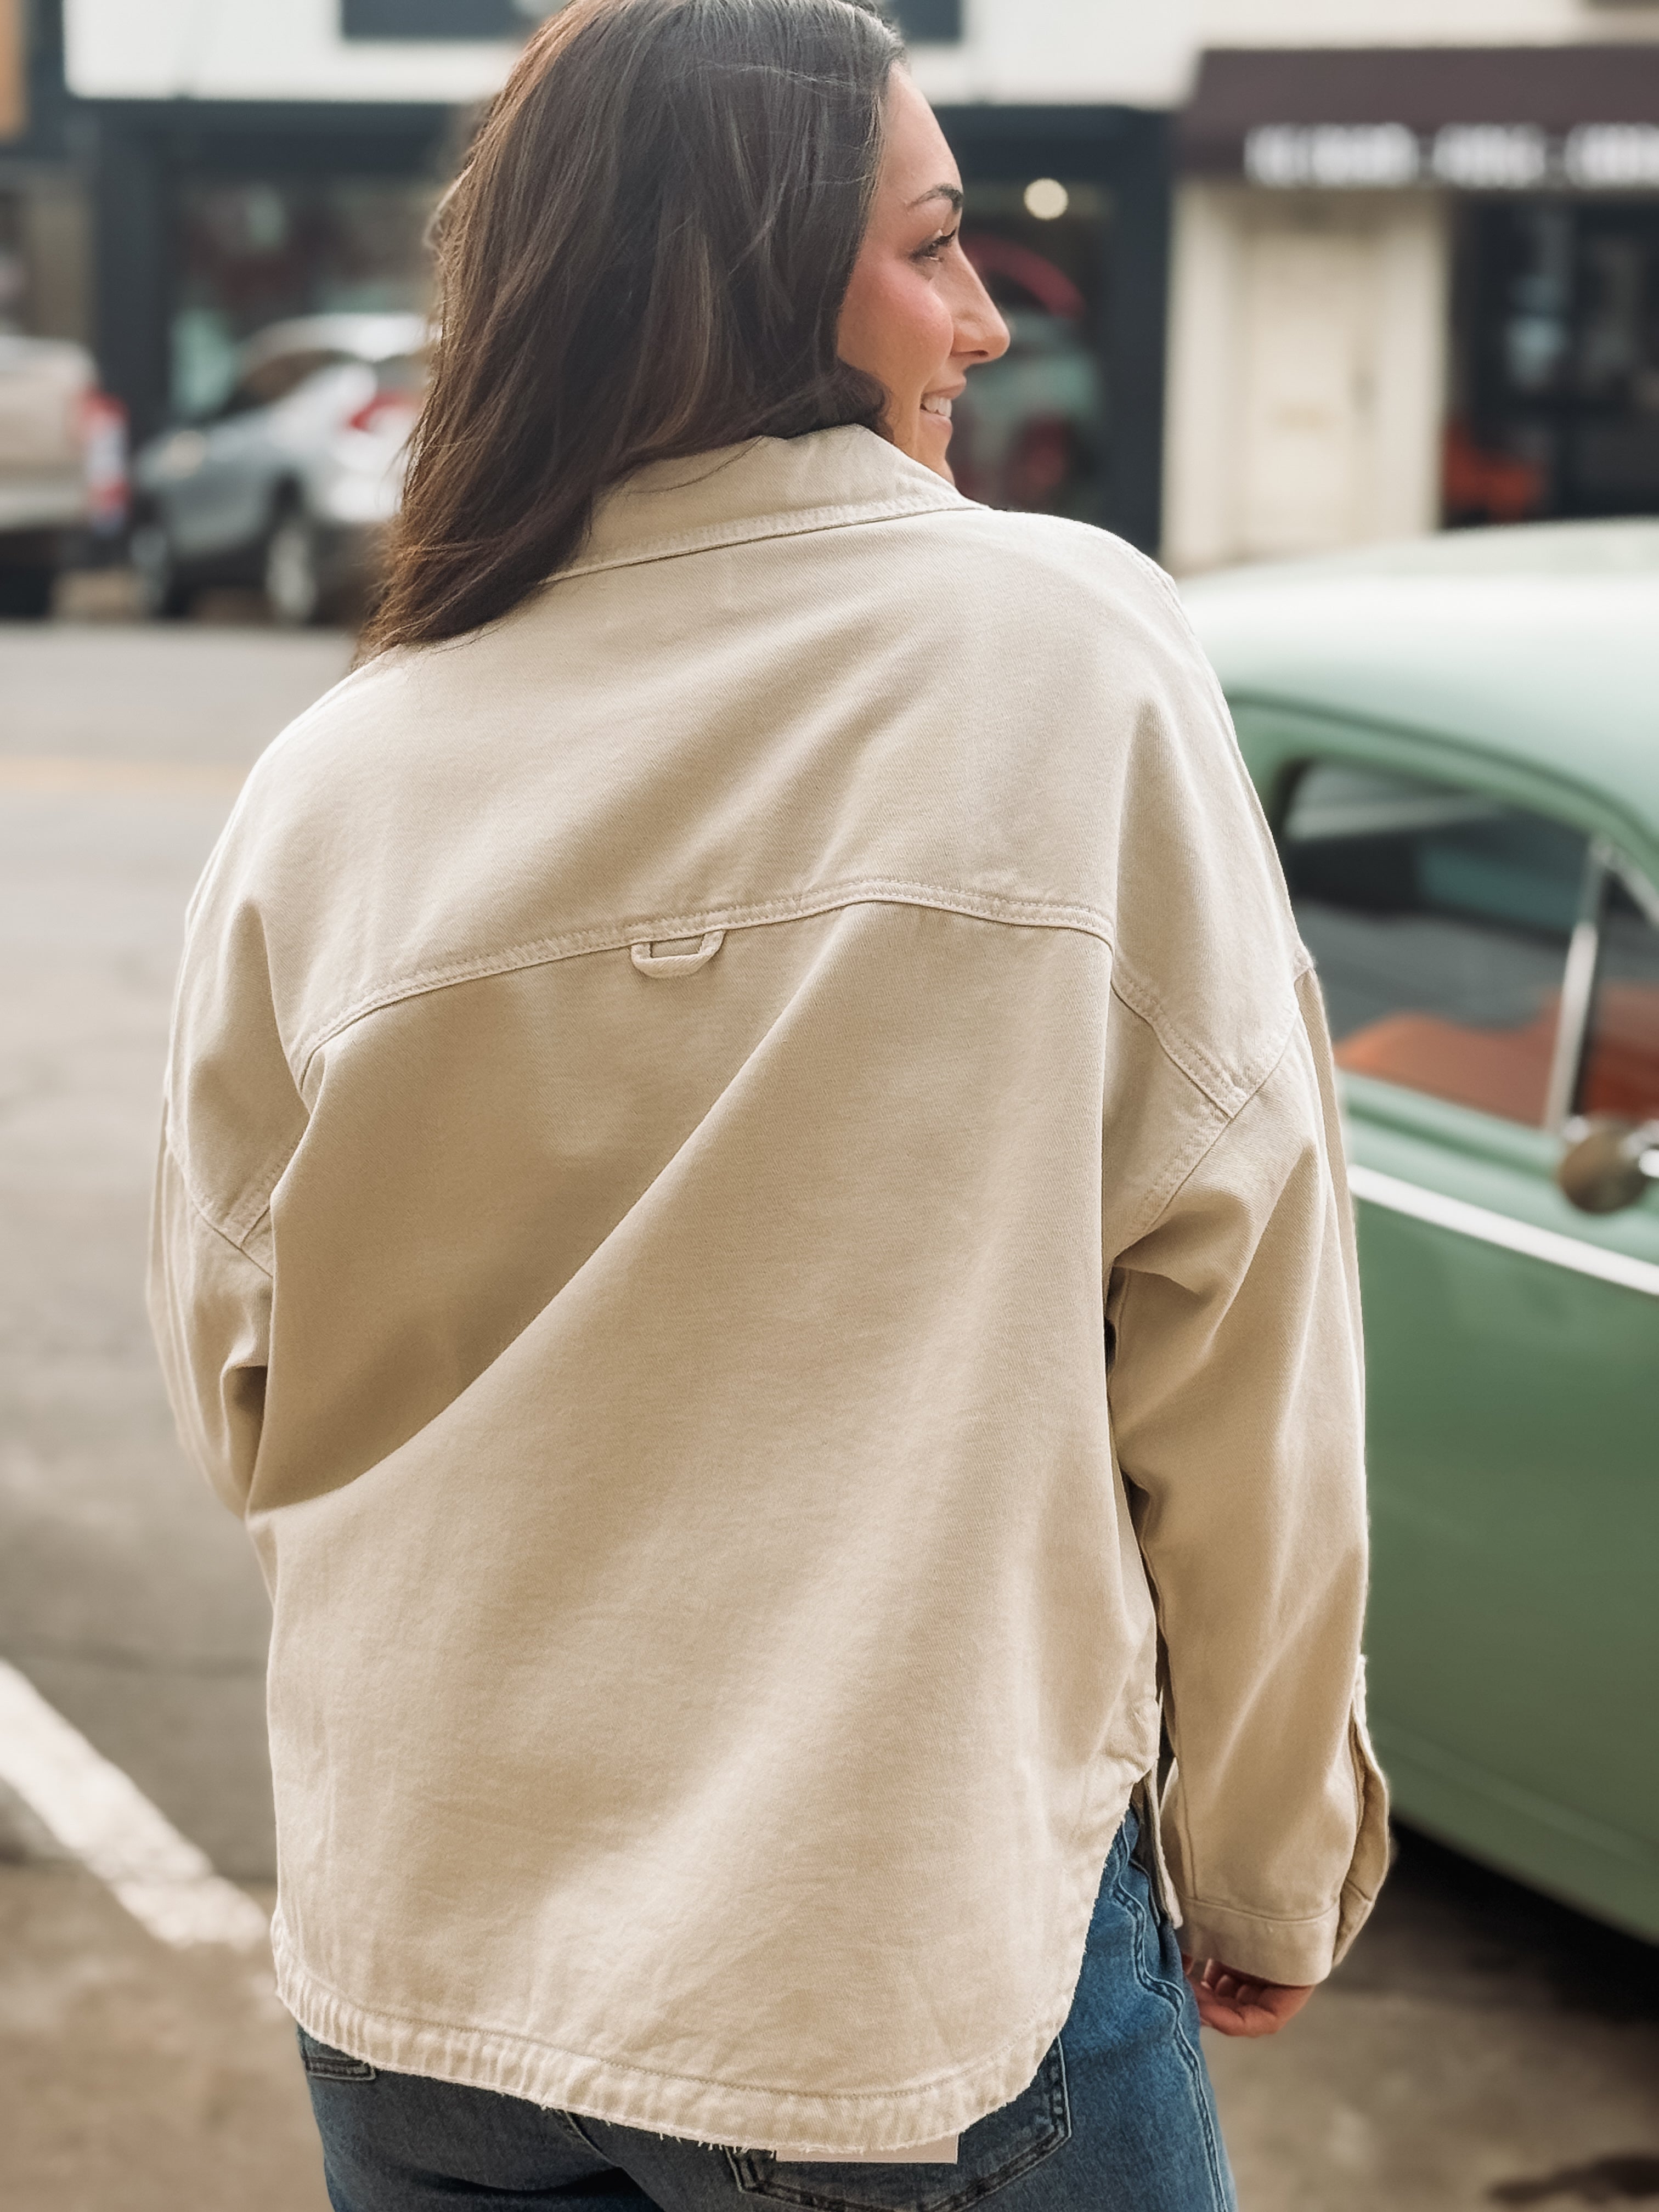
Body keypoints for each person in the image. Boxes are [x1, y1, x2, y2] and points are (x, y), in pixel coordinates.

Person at [148, 3, 1388, 2207]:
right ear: (739, 279)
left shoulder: (337, 773)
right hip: (888, 1967)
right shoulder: (1072, 659)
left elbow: (241, 1385)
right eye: (931, 245)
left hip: (422, 1963)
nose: (985, 319)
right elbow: (1244, 1337)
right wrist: (1273, 1851)